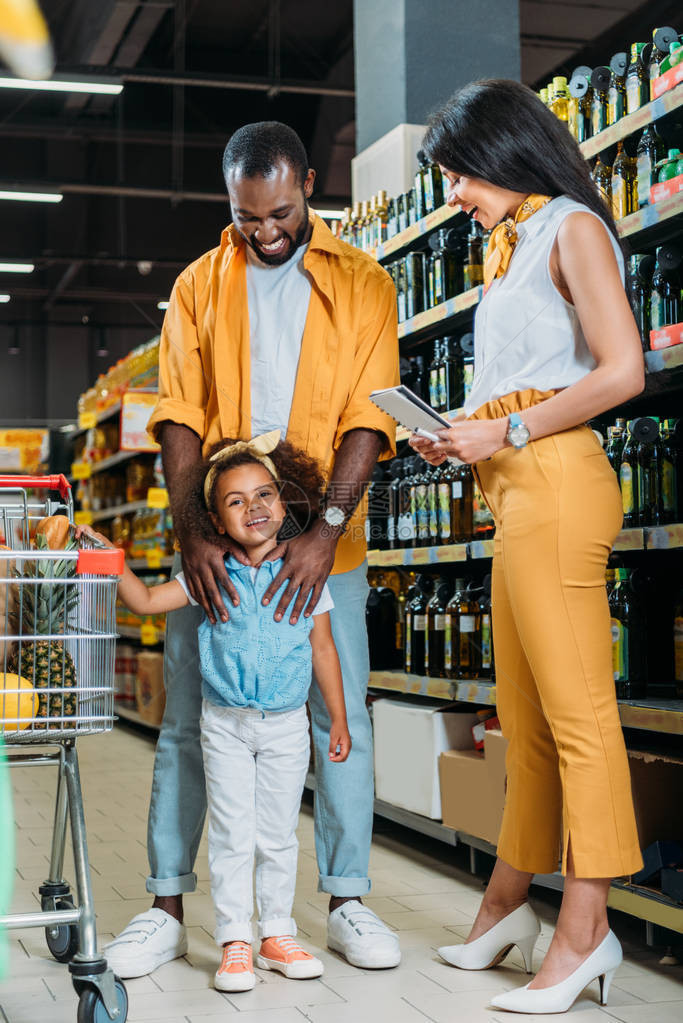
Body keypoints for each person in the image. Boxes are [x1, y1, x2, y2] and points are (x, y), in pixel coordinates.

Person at [104, 121, 401, 979]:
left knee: (339, 721)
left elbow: (367, 418)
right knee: (193, 722)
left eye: (278, 212)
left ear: (308, 183)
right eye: (246, 217)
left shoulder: (363, 283)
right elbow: (181, 413)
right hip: (222, 543)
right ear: (228, 203)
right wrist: (196, 533)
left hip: (326, 544)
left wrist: (326, 531)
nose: (264, 231)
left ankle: (345, 898)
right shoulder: (200, 284)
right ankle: (166, 905)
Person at [410, 79, 644, 1016]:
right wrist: (460, 429)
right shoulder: (504, 251)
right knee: (526, 718)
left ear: (504, 152)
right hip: (511, 494)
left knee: (580, 720)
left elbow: (623, 369)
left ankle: (585, 930)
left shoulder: (572, 228)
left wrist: (502, 434)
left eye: (459, 173)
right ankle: (507, 904)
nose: (454, 194)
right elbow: (529, 379)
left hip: (555, 487)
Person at [80, 432, 351, 991]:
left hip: (286, 726)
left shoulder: (305, 572)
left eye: (265, 494)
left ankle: (276, 933)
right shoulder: (210, 575)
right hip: (224, 725)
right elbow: (148, 602)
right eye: (236, 501)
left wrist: (340, 720)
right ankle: (235, 940)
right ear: (214, 522)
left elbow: (324, 650)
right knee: (232, 833)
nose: (254, 507)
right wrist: (110, 559)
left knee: (277, 834)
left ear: (284, 502)